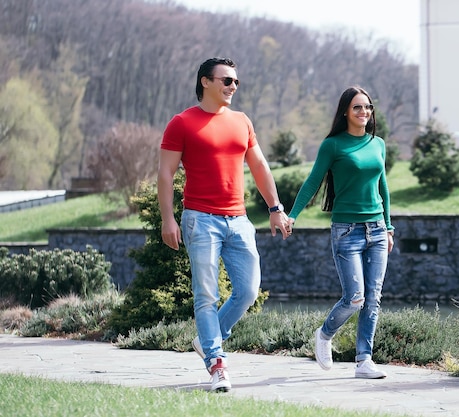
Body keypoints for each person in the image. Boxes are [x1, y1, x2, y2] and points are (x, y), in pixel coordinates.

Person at [158, 57, 291, 392]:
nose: (233, 86)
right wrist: (168, 218)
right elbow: (165, 172)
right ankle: (217, 362)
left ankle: (210, 337)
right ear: (206, 82)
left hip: (239, 220)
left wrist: (275, 208)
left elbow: (259, 165)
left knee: (247, 291)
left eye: (236, 82)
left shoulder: (242, 121)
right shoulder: (182, 122)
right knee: (206, 294)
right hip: (200, 220)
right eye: (226, 81)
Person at [287, 86, 394, 379]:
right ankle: (325, 334)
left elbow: (383, 187)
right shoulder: (333, 145)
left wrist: (388, 226)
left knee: (374, 297)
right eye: (358, 107)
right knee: (355, 297)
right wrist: (292, 216)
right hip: (347, 231)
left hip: (376, 229)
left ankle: (364, 361)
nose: (364, 113)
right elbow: (312, 182)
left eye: (368, 107)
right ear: (345, 111)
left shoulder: (378, 144)